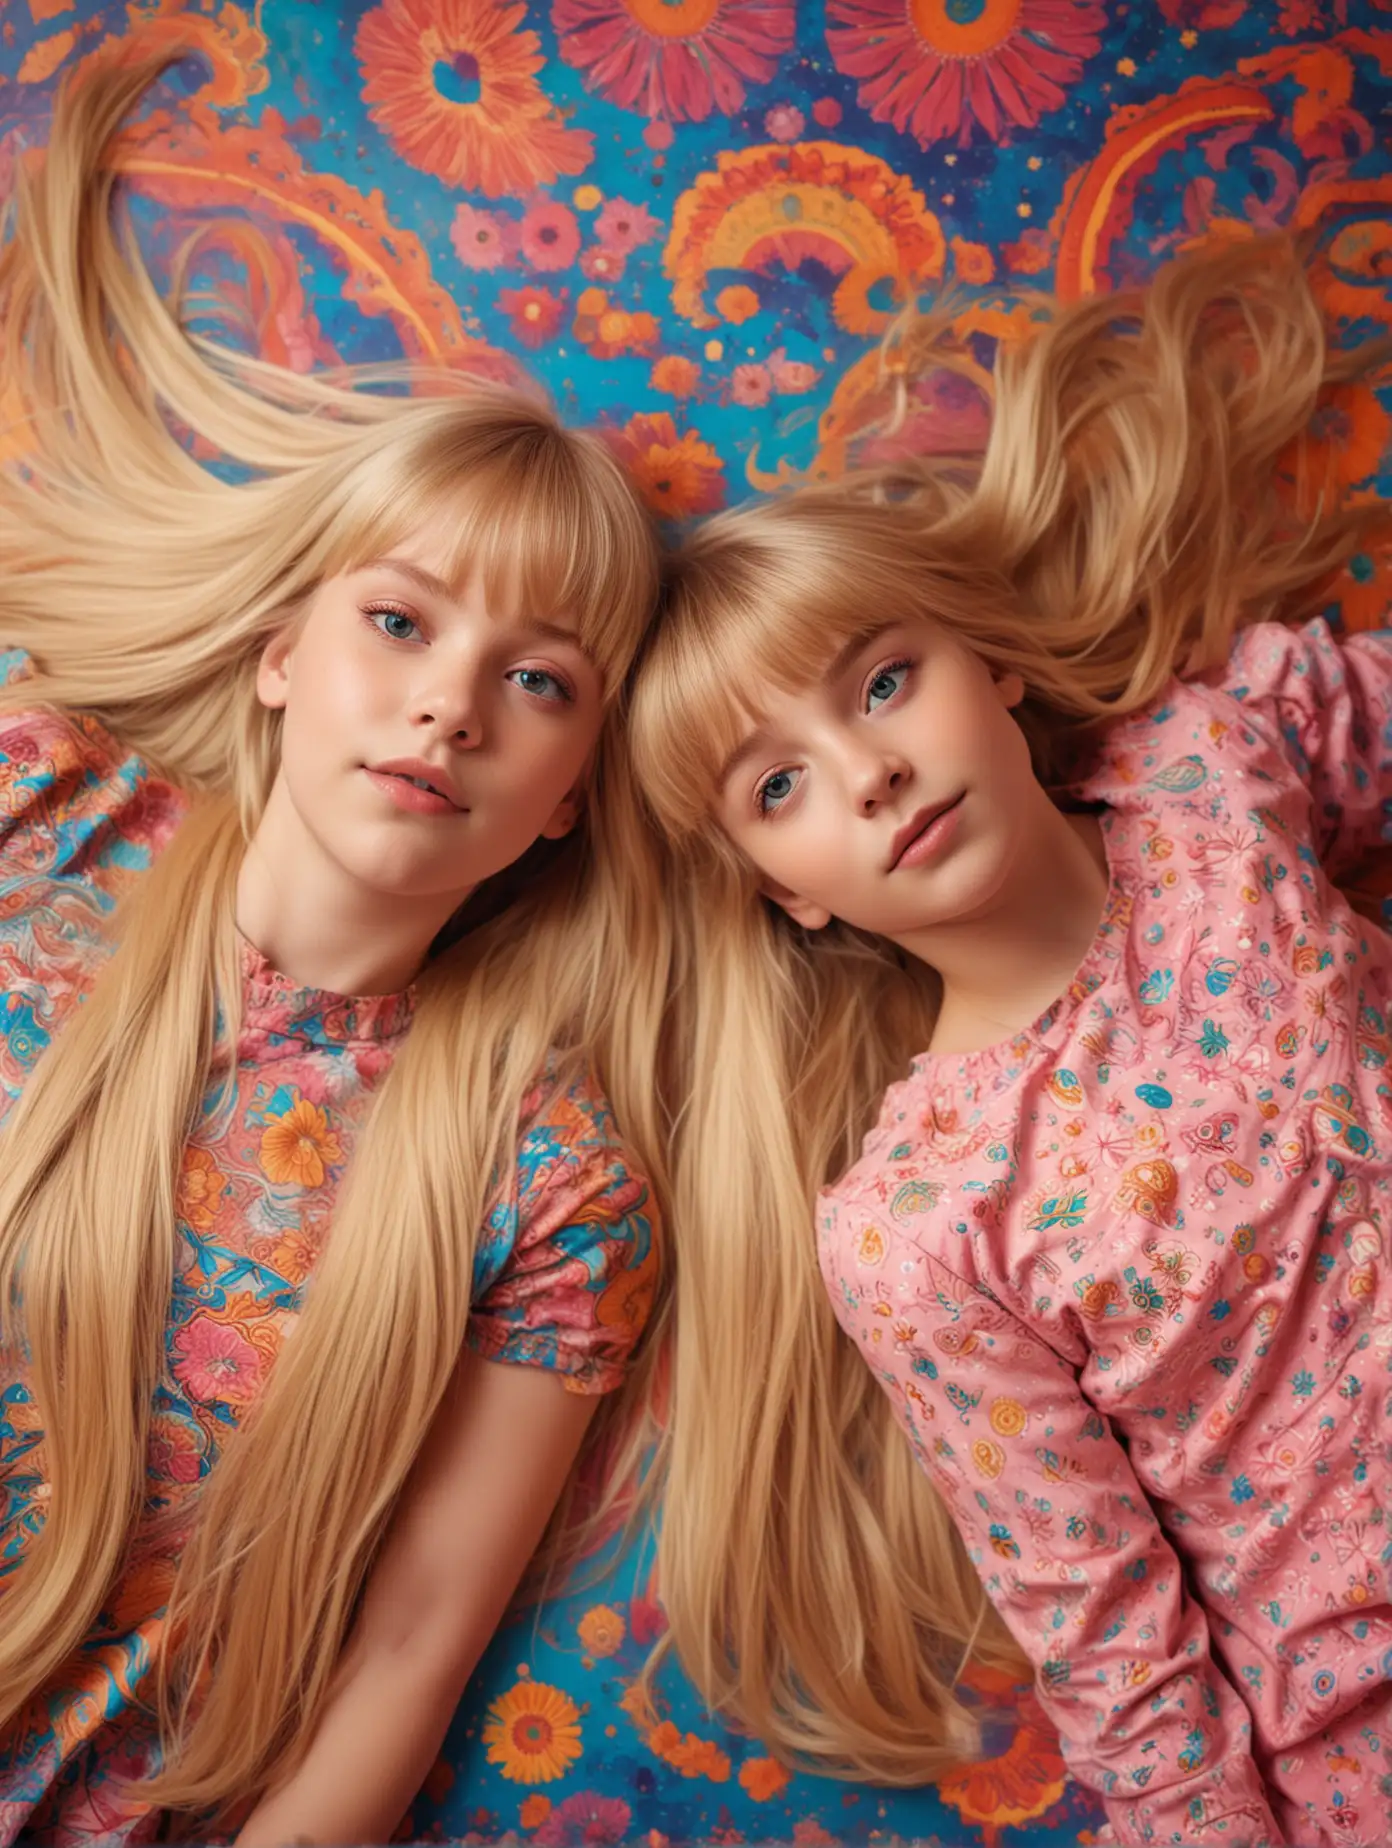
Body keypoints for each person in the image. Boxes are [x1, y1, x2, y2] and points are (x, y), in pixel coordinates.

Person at [629, 239, 1392, 1847]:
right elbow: (1118, 1653)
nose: (871, 773)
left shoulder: (1209, 764)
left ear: (1001, 674)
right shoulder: (915, 1229)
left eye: (885, 682)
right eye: (779, 788)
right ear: (787, 898)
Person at [0, 43, 667, 1848]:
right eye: (399, 620)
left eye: (537, 681)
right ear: (287, 652)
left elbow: (409, 1649)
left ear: (570, 796)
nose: (449, 706)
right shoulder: (43, 806)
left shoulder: (557, 1177)